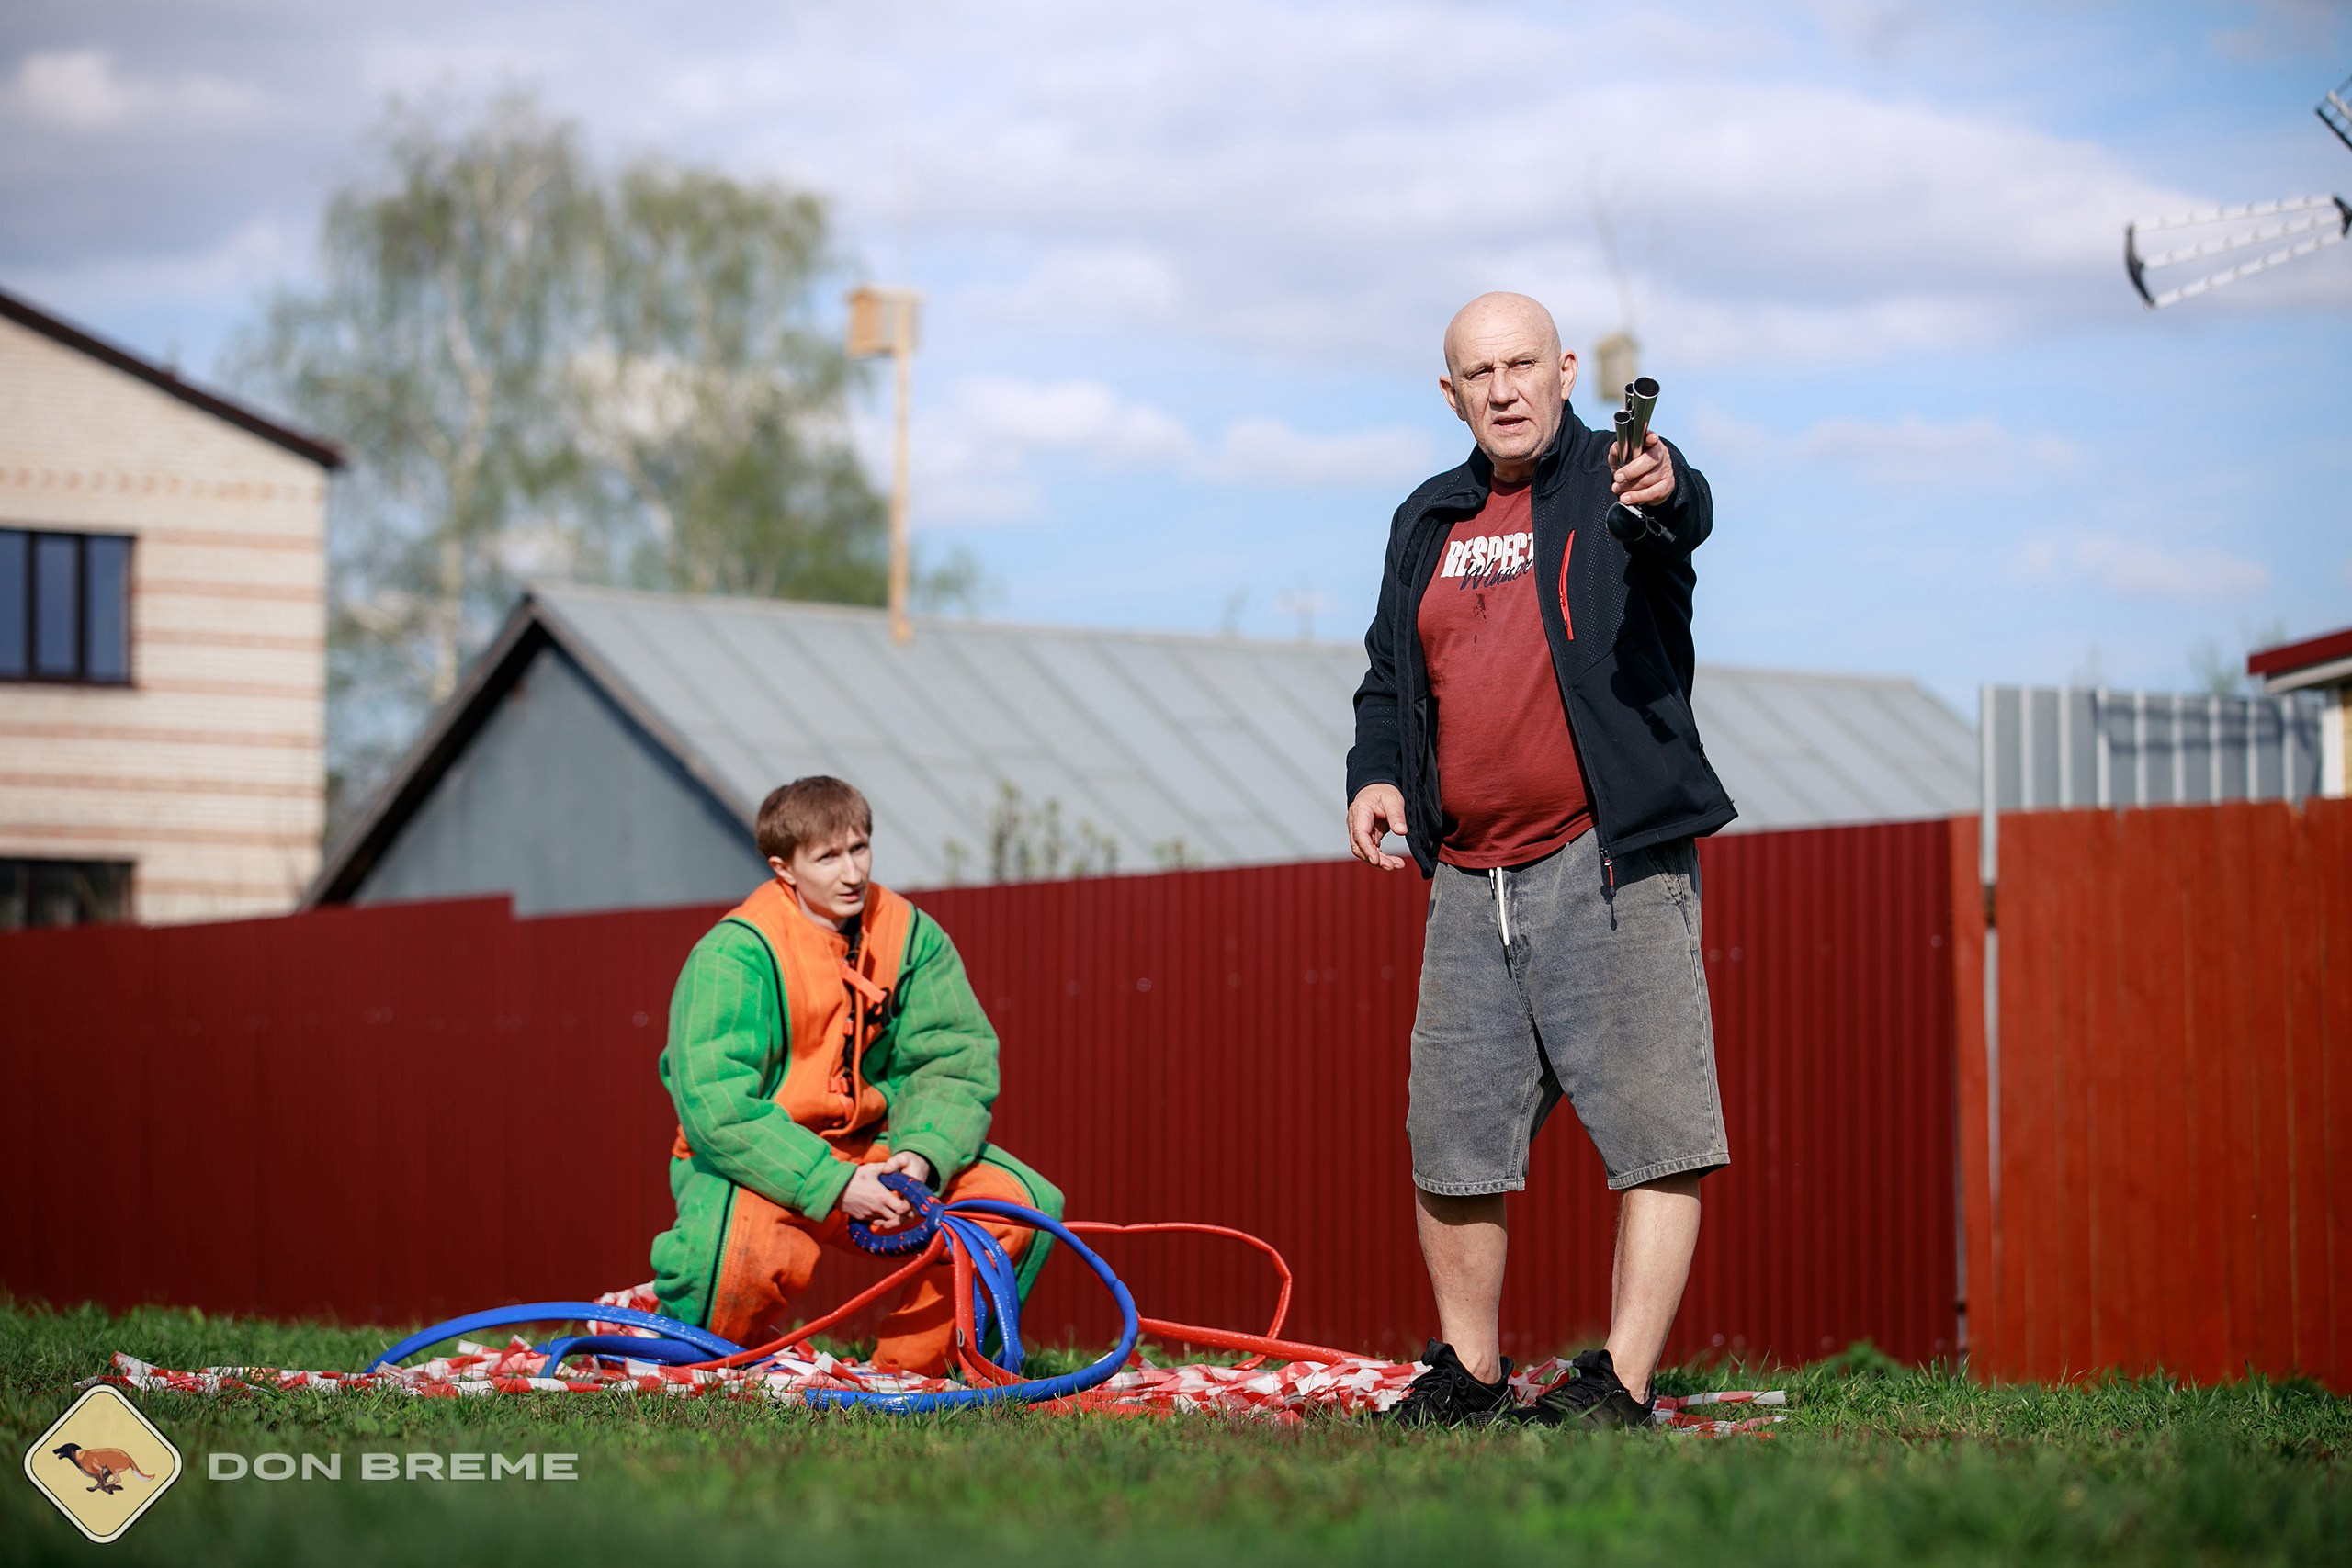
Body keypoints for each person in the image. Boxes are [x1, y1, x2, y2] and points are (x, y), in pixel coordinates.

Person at [1345, 292, 1736, 1427]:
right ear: (1450, 392)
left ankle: (1618, 1382)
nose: (1505, 387)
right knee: (1450, 1136)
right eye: (1481, 372)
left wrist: (1666, 484)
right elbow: (1386, 678)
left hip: (1606, 861)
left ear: (1565, 371)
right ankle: (1468, 1374)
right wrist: (1376, 774)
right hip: (1468, 878)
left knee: (1658, 1127)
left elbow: (1681, 512)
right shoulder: (1426, 518)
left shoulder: (1615, 483)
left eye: (1524, 364)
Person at [649, 774, 1060, 1373]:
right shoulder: (731, 954)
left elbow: (952, 1059)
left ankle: (916, 1376)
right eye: (828, 856)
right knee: (732, 1270)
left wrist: (922, 1155)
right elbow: (718, 1109)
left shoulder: (912, 935)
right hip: (757, 1156)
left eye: (859, 847)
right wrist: (835, 1184)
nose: (852, 872)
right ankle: (692, 1346)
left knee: (1019, 1205)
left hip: (876, 1149)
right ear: (783, 868)